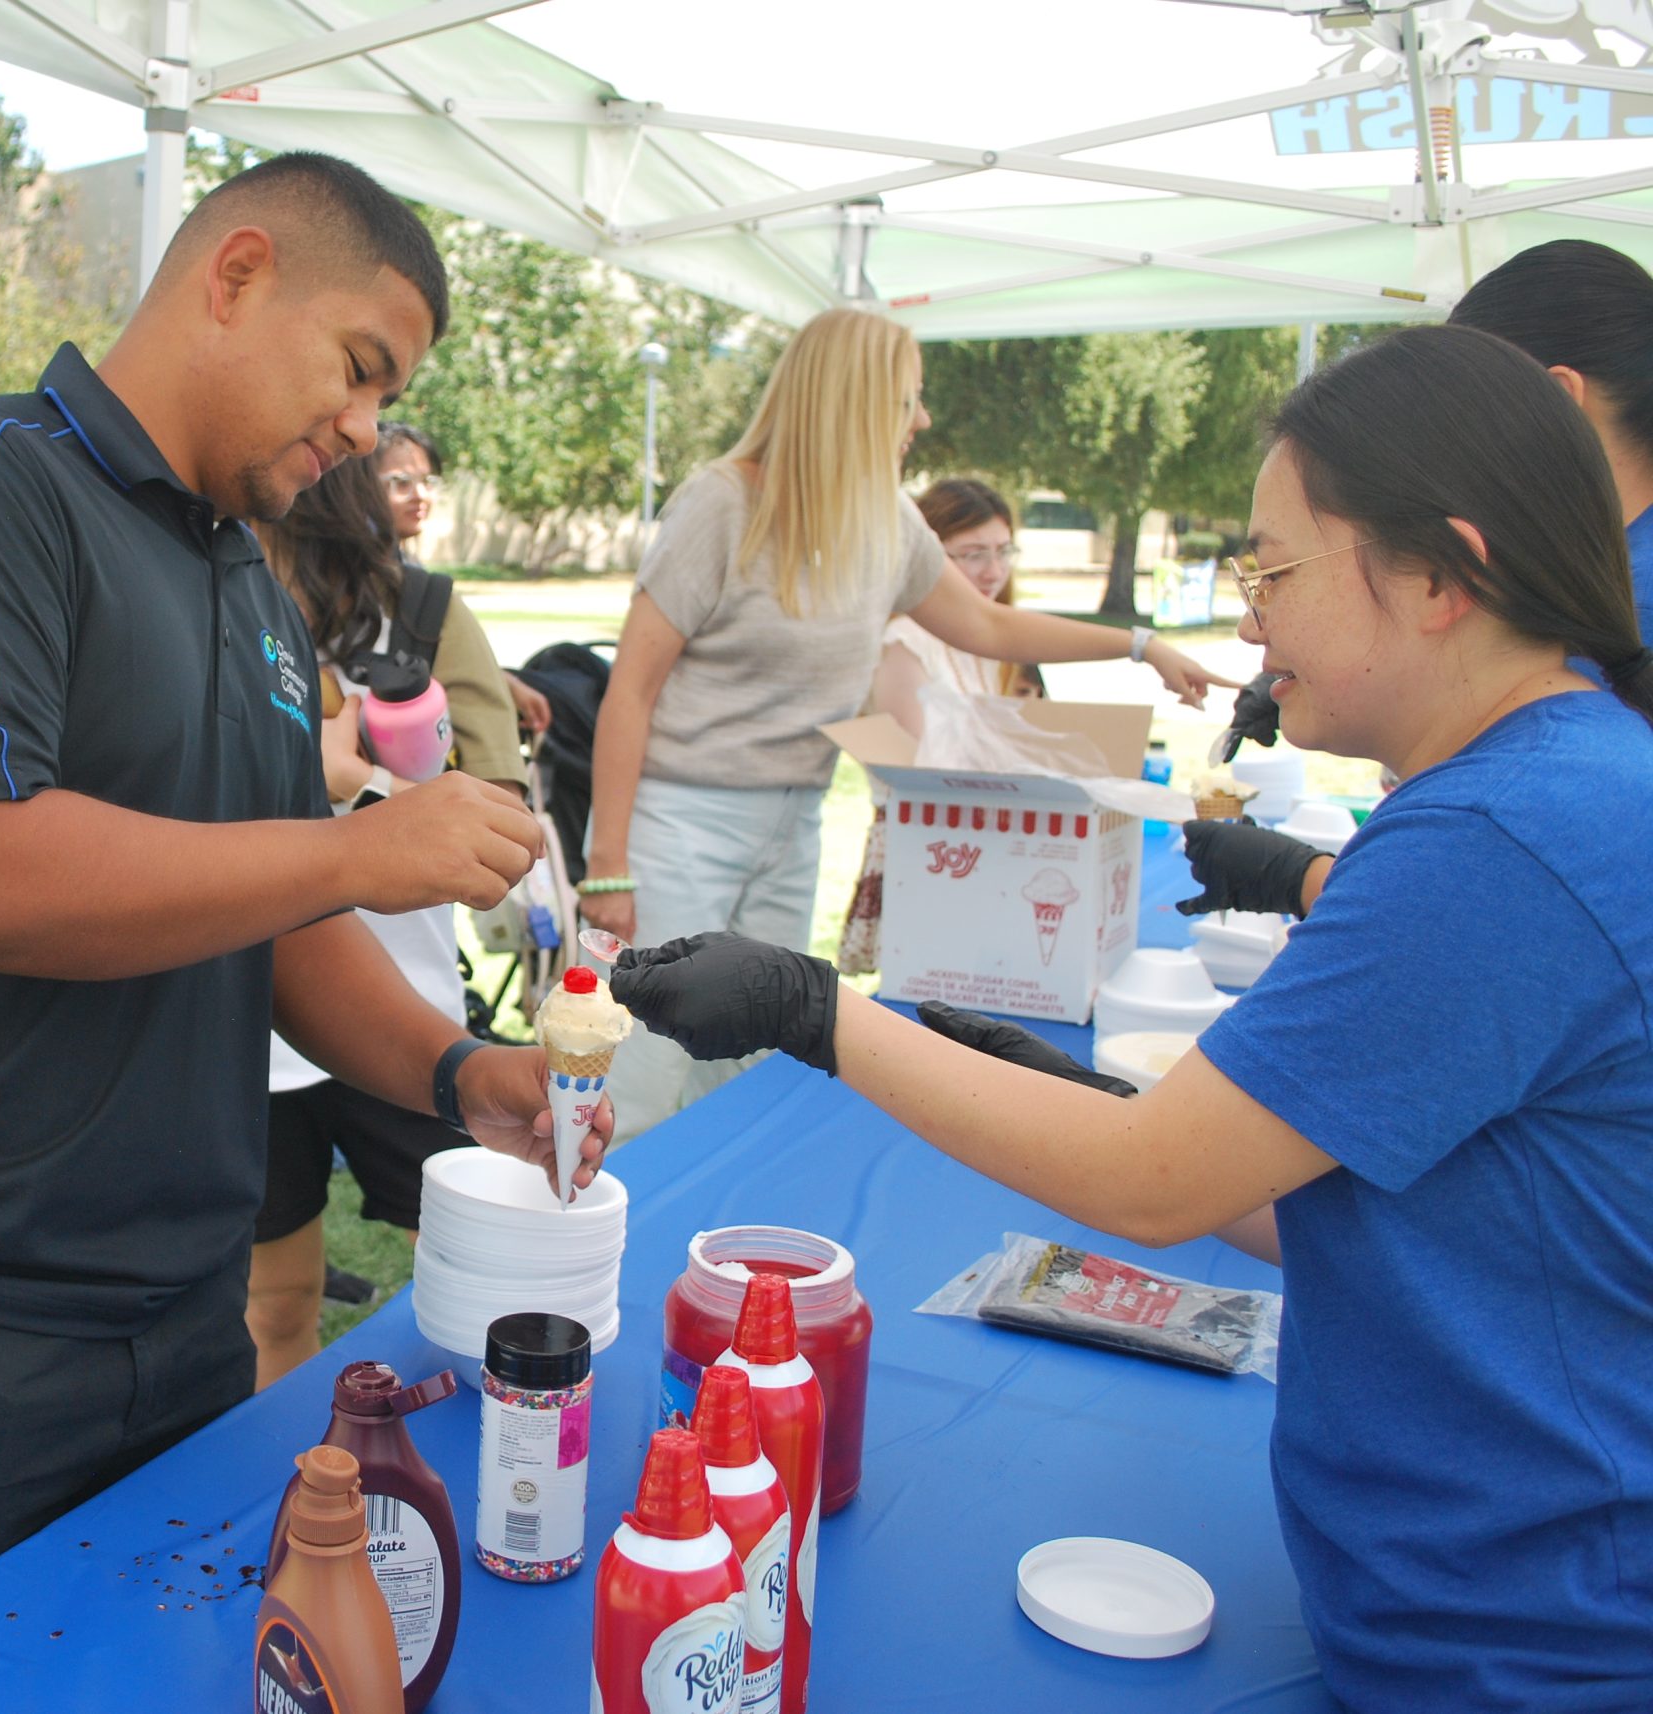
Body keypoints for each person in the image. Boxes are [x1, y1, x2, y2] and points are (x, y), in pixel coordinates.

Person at [609, 324, 1653, 1712]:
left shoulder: (1493, 835)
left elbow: (1151, 1186)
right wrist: (1085, 1091)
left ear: (1434, 571)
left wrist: (815, 1012)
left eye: (1274, 569)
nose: (1254, 619)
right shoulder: (1559, 779)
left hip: (1521, 1648)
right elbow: (1341, 1196)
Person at [0, 152, 609, 1684]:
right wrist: (356, 856)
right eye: (361, 369)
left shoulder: (248, 583)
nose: (367, 430)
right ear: (236, 274)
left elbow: (265, 913)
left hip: (173, 1310)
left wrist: (460, 1075)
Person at [584, 307, 1230, 1138]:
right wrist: (607, 866)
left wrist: (1140, 644)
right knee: (644, 1057)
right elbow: (629, 689)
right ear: (851, 401)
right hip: (683, 820)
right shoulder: (722, 503)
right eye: (906, 400)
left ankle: (707, 1251)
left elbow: (988, 626)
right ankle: (589, 1231)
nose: (921, 420)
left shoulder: (885, 520)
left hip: (795, 819)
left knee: (742, 1049)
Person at [248, 453, 525, 1388]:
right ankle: (283, 1494)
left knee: (479, 1277)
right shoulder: (199, 594)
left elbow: (503, 817)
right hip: (245, 1015)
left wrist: (358, 782)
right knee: (273, 1302)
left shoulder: (425, 614)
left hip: (403, 1013)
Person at [838, 476, 1043, 974]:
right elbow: (917, 771)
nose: (993, 570)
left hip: (986, 843)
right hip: (933, 853)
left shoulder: (984, 644)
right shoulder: (906, 639)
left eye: (1003, 551)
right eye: (971, 554)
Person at [1450, 239, 1653, 652]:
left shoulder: (1617, 611)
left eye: (1471, 404)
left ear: (1559, 397)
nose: (1460, 440)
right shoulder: (1604, 581)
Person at [376, 419, 553, 737]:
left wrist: (504, 681)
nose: (421, 495)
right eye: (401, 482)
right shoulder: (360, 576)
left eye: (427, 481)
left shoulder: (410, 566)